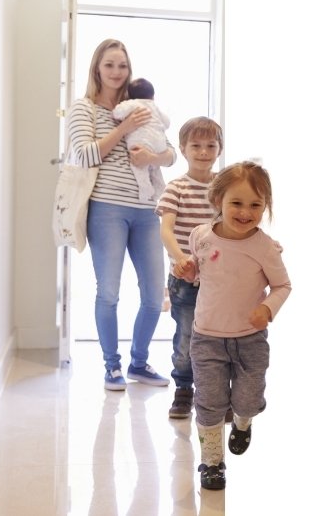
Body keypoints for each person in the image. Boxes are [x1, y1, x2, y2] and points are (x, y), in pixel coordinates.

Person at [173, 161, 291, 490]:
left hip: (250, 339)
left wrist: (267, 308)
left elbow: (283, 286)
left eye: (256, 205)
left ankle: (243, 421)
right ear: (218, 201)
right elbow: (200, 272)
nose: (245, 212)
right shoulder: (201, 236)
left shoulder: (264, 247)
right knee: (209, 402)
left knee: (248, 400)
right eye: (236, 203)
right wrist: (188, 271)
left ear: (265, 206)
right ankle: (212, 462)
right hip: (207, 337)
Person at [67, 38, 177, 391]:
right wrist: (123, 130)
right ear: (97, 68)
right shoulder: (83, 109)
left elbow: (170, 150)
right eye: (110, 64)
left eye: (123, 66)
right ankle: (111, 366)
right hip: (107, 210)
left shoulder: (142, 105)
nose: (116, 72)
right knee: (109, 293)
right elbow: (84, 155)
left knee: (153, 294)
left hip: (147, 209)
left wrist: (153, 158)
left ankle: (139, 363)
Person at [156, 116, 224, 419]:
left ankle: (217, 394)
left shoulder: (224, 188)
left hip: (220, 279)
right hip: (185, 280)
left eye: (210, 145)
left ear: (219, 149)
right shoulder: (177, 188)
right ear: (183, 148)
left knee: (220, 338)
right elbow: (166, 230)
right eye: (196, 145)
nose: (203, 151)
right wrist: (181, 258)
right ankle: (184, 389)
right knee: (186, 338)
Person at [112, 78, 170, 202]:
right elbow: (167, 122)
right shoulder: (154, 106)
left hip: (141, 142)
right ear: (153, 95)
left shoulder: (133, 104)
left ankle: (145, 189)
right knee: (154, 167)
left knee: (139, 166)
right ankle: (160, 188)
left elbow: (118, 113)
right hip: (159, 143)